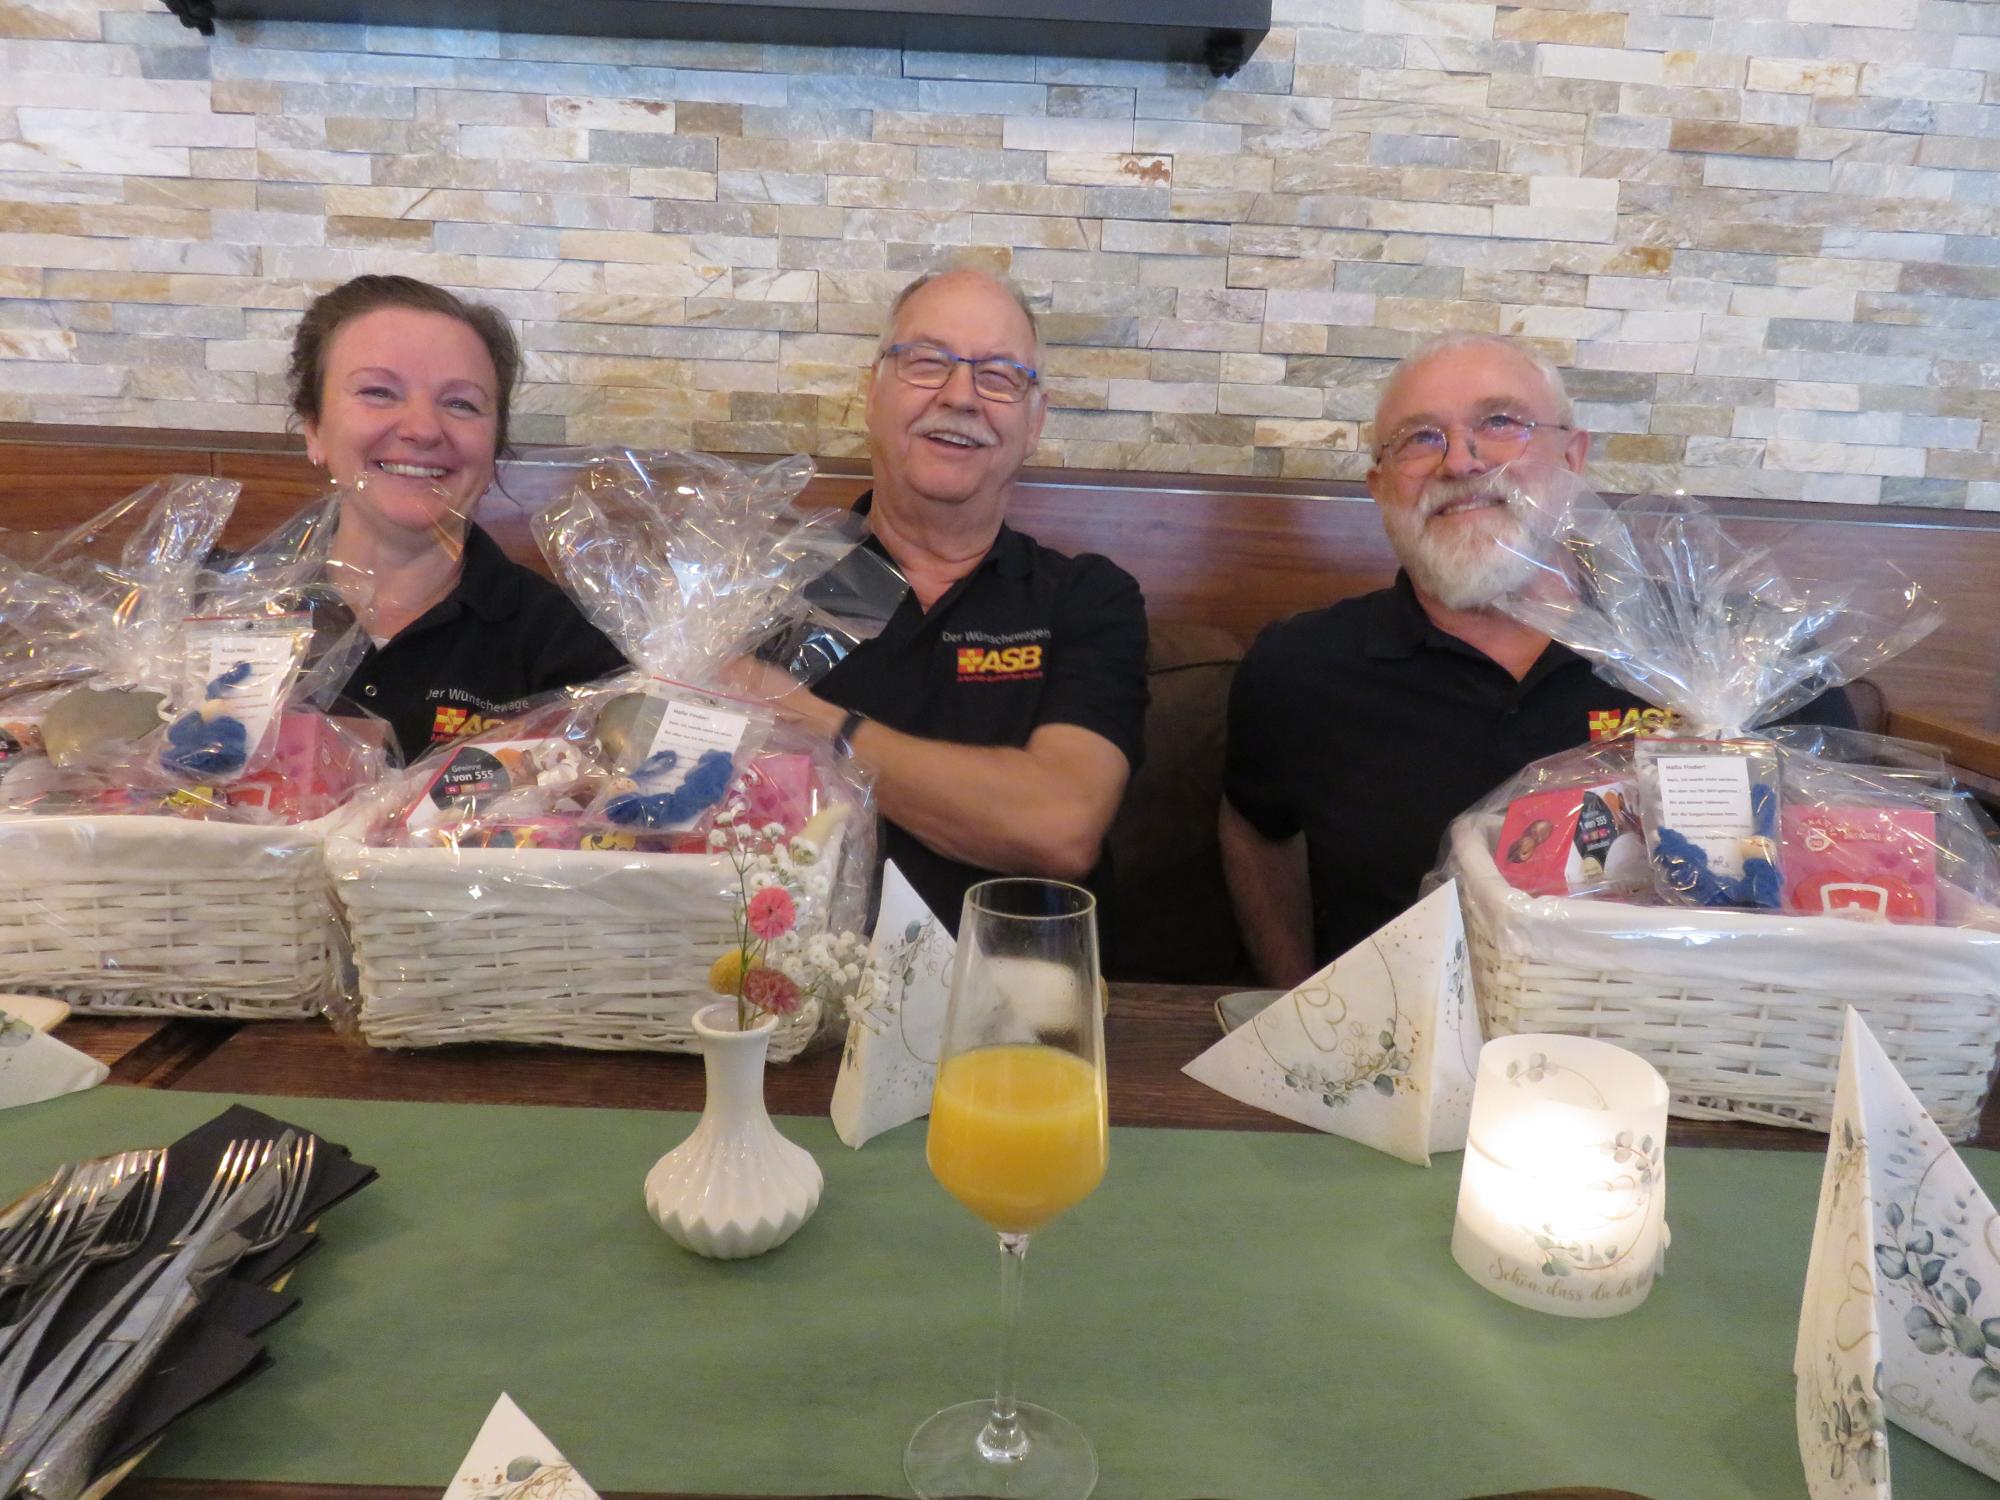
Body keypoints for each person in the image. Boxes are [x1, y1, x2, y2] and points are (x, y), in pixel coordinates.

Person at [1219, 333, 1855, 987]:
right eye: (1419, 438)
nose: (1460, 461)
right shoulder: (1300, 669)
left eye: (1500, 422)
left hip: (1674, 1035)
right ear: (1381, 490)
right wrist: (1288, 994)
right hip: (1396, 1040)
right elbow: (1256, 830)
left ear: (1572, 457)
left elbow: (1856, 859)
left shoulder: (1741, 654)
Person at [766, 268, 1149, 932]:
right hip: (797, 982)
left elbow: (1060, 827)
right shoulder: (760, 586)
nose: (961, 395)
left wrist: (798, 717)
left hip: (1019, 984)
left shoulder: (1086, 599)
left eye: (999, 376)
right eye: (927, 362)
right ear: (871, 393)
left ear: (1035, 422)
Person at [288, 275, 624, 760]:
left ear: (493, 447)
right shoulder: (212, 607)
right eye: (379, 392)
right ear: (314, 428)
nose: (424, 429)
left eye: (461, 403)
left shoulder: (570, 644)